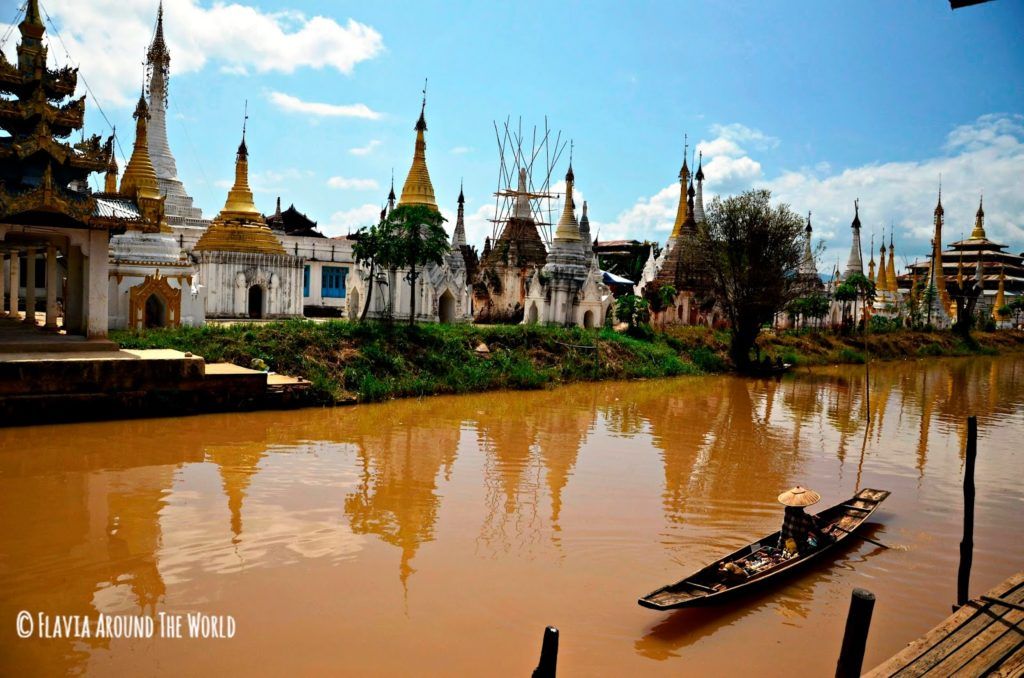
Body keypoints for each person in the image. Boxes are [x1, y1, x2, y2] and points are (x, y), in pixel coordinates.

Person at [777, 486, 826, 553]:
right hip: (798, 549)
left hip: (782, 545)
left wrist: (812, 519)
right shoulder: (807, 518)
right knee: (822, 540)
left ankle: (781, 550)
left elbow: (796, 517)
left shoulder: (787, 510)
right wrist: (829, 537)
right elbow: (818, 533)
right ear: (804, 505)